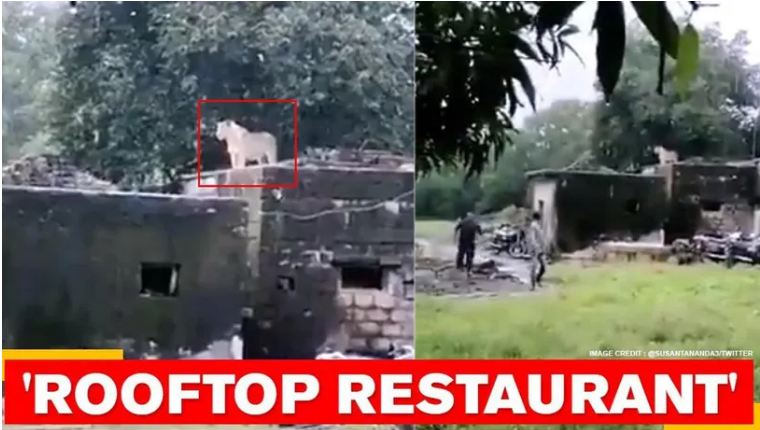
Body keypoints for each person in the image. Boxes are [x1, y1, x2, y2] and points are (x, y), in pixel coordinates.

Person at [454, 212, 483, 278]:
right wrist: (480, 236)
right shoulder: (475, 222)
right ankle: (469, 268)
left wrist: (455, 236)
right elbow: (480, 231)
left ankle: (459, 265)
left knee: (461, 253)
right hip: (470, 241)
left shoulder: (463, 221)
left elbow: (456, 228)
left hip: (462, 240)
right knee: (470, 255)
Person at [526, 211, 547, 290]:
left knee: (543, 266)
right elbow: (533, 238)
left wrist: (543, 247)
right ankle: (532, 286)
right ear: (538, 218)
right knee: (533, 267)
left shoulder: (537, 226)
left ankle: (538, 280)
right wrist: (536, 248)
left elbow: (540, 238)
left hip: (540, 249)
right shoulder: (533, 226)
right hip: (535, 249)